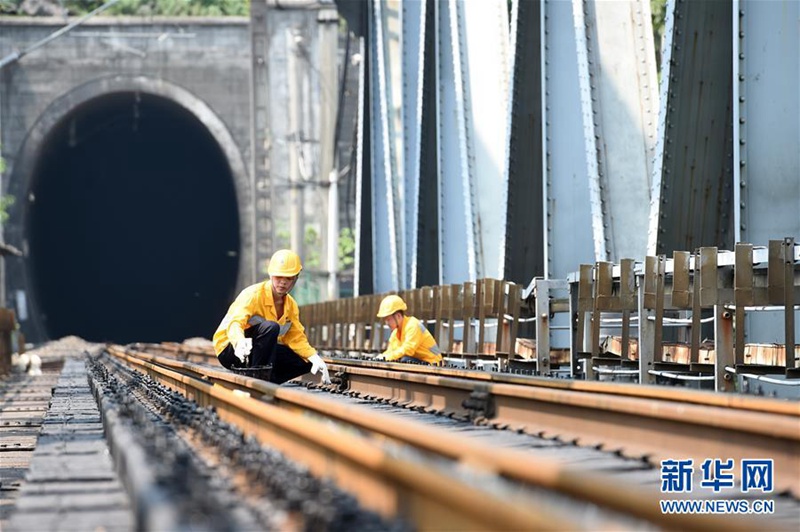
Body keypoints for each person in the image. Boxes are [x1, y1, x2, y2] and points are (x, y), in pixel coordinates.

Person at [213, 249, 331, 385]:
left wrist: (314, 357)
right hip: (231, 349)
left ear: (296, 278)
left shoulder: (290, 306)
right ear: (270, 275)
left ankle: (266, 381)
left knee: (304, 361)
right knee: (271, 327)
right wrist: (239, 342)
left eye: (288, 278)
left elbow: (295, 337)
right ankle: (257, 379)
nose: (283, 282)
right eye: (278, 277)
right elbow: (235, 323)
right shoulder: (253, 294)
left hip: (257, 351)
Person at [375, 294, 443, 365]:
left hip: (434, 364)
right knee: (398, 360)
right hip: (421, 362)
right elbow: (391, 351)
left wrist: (386, 357)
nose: (387, 323)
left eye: (388, 319)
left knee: (405, 360)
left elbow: (409, 349)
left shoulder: (412, 325)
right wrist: (381, 357)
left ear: (398, 316)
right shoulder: (395, 333)